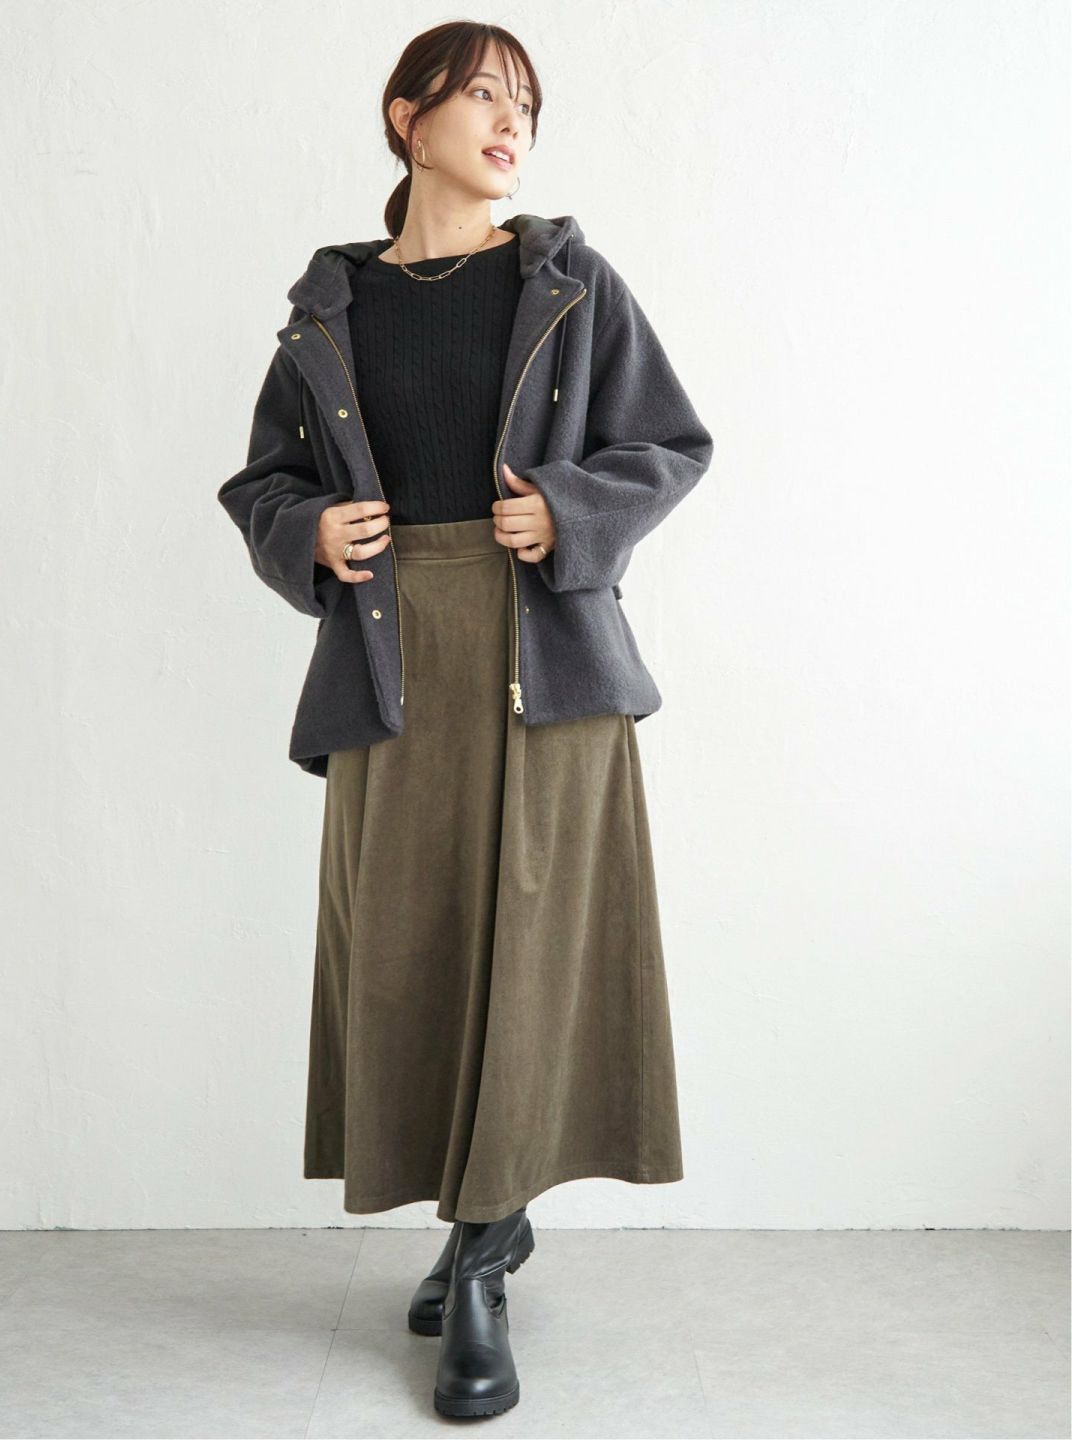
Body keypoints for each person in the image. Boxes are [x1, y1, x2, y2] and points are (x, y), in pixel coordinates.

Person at [216, 20, 714, 1420]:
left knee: (534, 955)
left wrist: (569, 510)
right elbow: (261, 482)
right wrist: (310, 533)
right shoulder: (331, 308)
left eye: (527, 105)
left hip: (546, 655)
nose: (511, 124)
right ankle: (478, 1225)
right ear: (407, 116)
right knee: (415, 952)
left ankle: (483, 1256)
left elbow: (671, 443)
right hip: (390, 661)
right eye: (485, 95)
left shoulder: (568, 282)